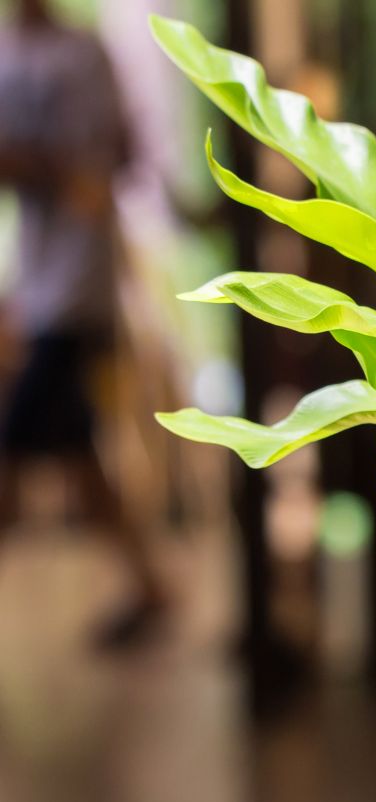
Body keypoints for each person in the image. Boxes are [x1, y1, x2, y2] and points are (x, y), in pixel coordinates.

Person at [0, 0, 168, 647]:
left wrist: (55, 166)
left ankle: (151, 587)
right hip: (41, 281)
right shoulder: (11, 53)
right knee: (74, 454)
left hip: (78, 285)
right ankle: (150, 586)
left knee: (15, 448)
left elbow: (121, 150)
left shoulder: (84, 51)